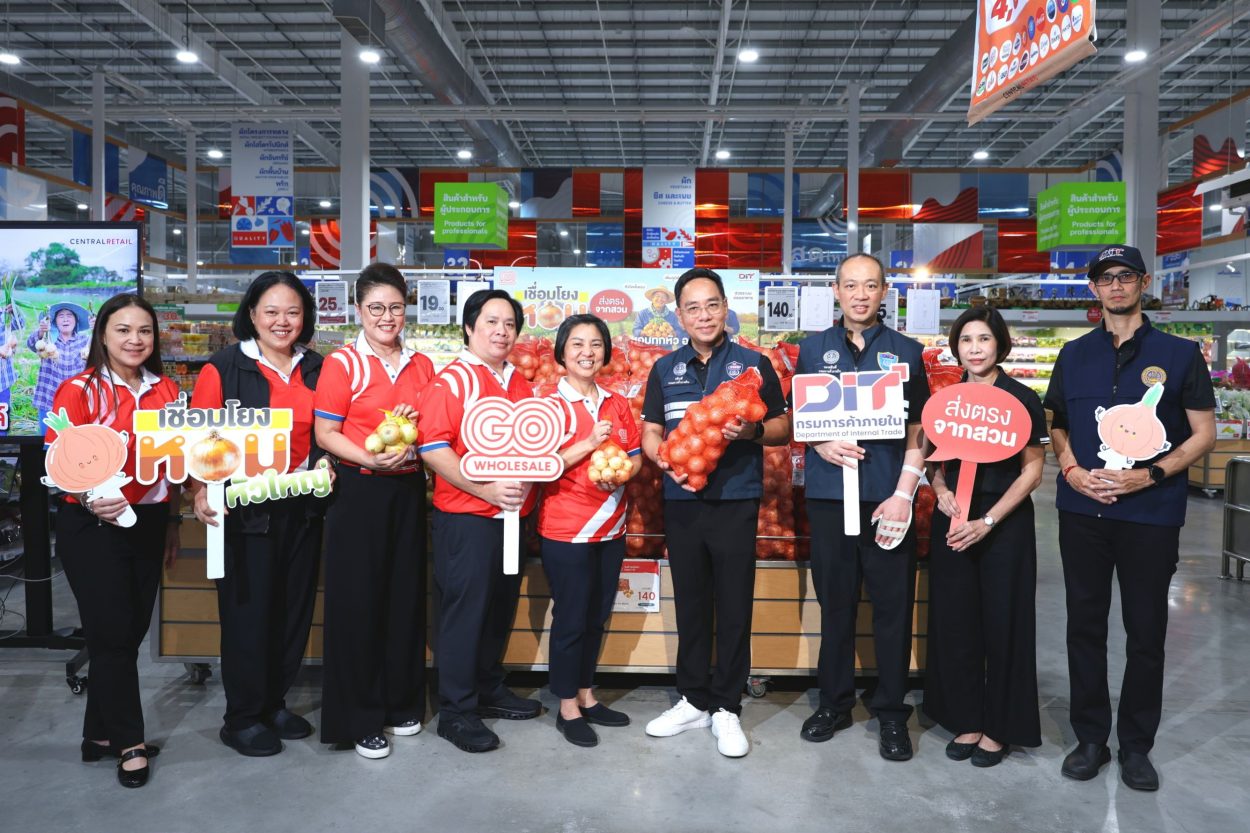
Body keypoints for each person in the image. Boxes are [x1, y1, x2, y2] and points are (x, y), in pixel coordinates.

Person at [1044, 245, 1215, 791]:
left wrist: (1151, 475)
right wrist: (1070, 469)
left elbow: (1204, 433)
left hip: (1151, 513)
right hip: (1083, 510)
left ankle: (1137, 746)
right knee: (1084, 626)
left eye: (1124, 276)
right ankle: (1091, 738)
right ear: (1093, 289)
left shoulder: (1181, 354)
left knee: (1146, 631)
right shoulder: (1073, 355)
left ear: (1143, 282)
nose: (1115, 286)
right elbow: (1057, 423)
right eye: (1105, 278)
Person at [639, 267, 790, 759]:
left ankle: (726, 705)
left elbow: (783, 425)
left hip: (735, 501)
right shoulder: (665, 369)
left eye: (711, 305)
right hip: (682, 500)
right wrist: (662, 459)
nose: (703, 315)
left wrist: (751, 433)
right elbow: (651, 430)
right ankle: (693, 699)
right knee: (691, 603)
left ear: (726, 308)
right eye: (692, 308)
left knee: (733, 603)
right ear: (679, 316)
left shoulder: (753, 365)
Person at [794, 253, 929, 761]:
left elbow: (919, 429)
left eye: (870, 285)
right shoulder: (812, 350)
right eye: (851, 285)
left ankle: (891, 711)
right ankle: (834, 702)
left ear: (884, 291)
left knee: (892, 607)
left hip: (885, 499)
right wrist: (820, 442)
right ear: (836, 290)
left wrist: (904, 493)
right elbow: (801, 419)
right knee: (836, 604)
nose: (860, 295)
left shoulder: (907, 352)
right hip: (830, 497)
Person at [188, 271, 327, 757]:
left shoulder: (317, 367)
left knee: (292, 612)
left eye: (292, 312)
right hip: (246, 512)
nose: (282, 321)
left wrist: (327, 461)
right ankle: (242, 716)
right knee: (249, 615)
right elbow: (199, 441)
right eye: (271, 311)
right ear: (251, 314)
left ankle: (273, 703)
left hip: (303, 507)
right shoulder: (224, 368)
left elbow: (330, 429)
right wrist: (201, 490)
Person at [47, 293, 181, 788]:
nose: (135, 339)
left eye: (144, 330)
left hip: (149, 520)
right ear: (102, 334)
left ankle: (98, 734)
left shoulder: (167, 390)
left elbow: (176, 461)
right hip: (93, 525)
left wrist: (173, 521)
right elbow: (58, 457)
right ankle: (130, 744)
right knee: (111, 635)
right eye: (123, 330)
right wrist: (87, 499)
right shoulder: (79, 390)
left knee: (129, 632)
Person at [313, 263, 435, 760]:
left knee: (404, 598)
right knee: (357, 603)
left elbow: (431, 429)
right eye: (376, 307)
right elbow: (326, 433)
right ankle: (358, 717)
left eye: (396, 307)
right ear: (358, 309)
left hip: (408, 491)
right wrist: (371, 457)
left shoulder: (422, 365)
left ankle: (400, 702)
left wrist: (413, 434)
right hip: (358, 492)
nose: (387, 317)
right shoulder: (342, 364)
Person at [418, 289, 544, 753]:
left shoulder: (517, 380)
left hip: (511, 519)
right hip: (467, 517)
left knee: (497, 607)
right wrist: (484, 490)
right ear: (469, 327)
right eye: (491, 321)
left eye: (509, 323)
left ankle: (488, 687)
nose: (501, 331)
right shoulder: (453, 381)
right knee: (465, 613)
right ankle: (456, 710)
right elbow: (433, 448)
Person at [922, 307, 1046, 768]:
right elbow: (932, 461)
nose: (975, 349)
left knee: (1005, 623)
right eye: (966, 340)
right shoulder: (946, 399)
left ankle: (1000, 727)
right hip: (955, 521)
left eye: (984, 339)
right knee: (956, 621)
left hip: (1003, 525)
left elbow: (1033, 470)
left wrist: (989, 520)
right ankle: (966, 718)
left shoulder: (1022, 398)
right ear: (956, 347)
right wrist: (941, 491)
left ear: (1000, 345)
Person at [537, 314, 641, 747]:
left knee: (596, 616)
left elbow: (634, 455)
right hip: (566, 529)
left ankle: (586, 694)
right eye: (577, 344)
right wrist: (589, 444)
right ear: (562, 353)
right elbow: (540, 466)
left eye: (595, 344)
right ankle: (566, 706)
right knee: (571, 618)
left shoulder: (616, 403)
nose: (587, 352)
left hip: (611, 527)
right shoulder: (546, 404)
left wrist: (622, 472)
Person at [30, 302, 91, 425]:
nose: (65, 319)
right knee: (48, 436)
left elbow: (105, 350)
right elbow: (31, 344)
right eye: (61, 316)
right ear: (54, 322)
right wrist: (41, 331)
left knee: (73, 436)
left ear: (76, 321)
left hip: (77, 400)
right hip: (48, 398)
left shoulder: (86, 341)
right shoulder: (47, 341)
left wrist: (98, 328)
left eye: (69, 315)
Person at [0, 299, 26, 433]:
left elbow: (20, 324)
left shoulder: (3, 314)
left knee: (2, 422)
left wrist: (15, 312)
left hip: (3, 381)